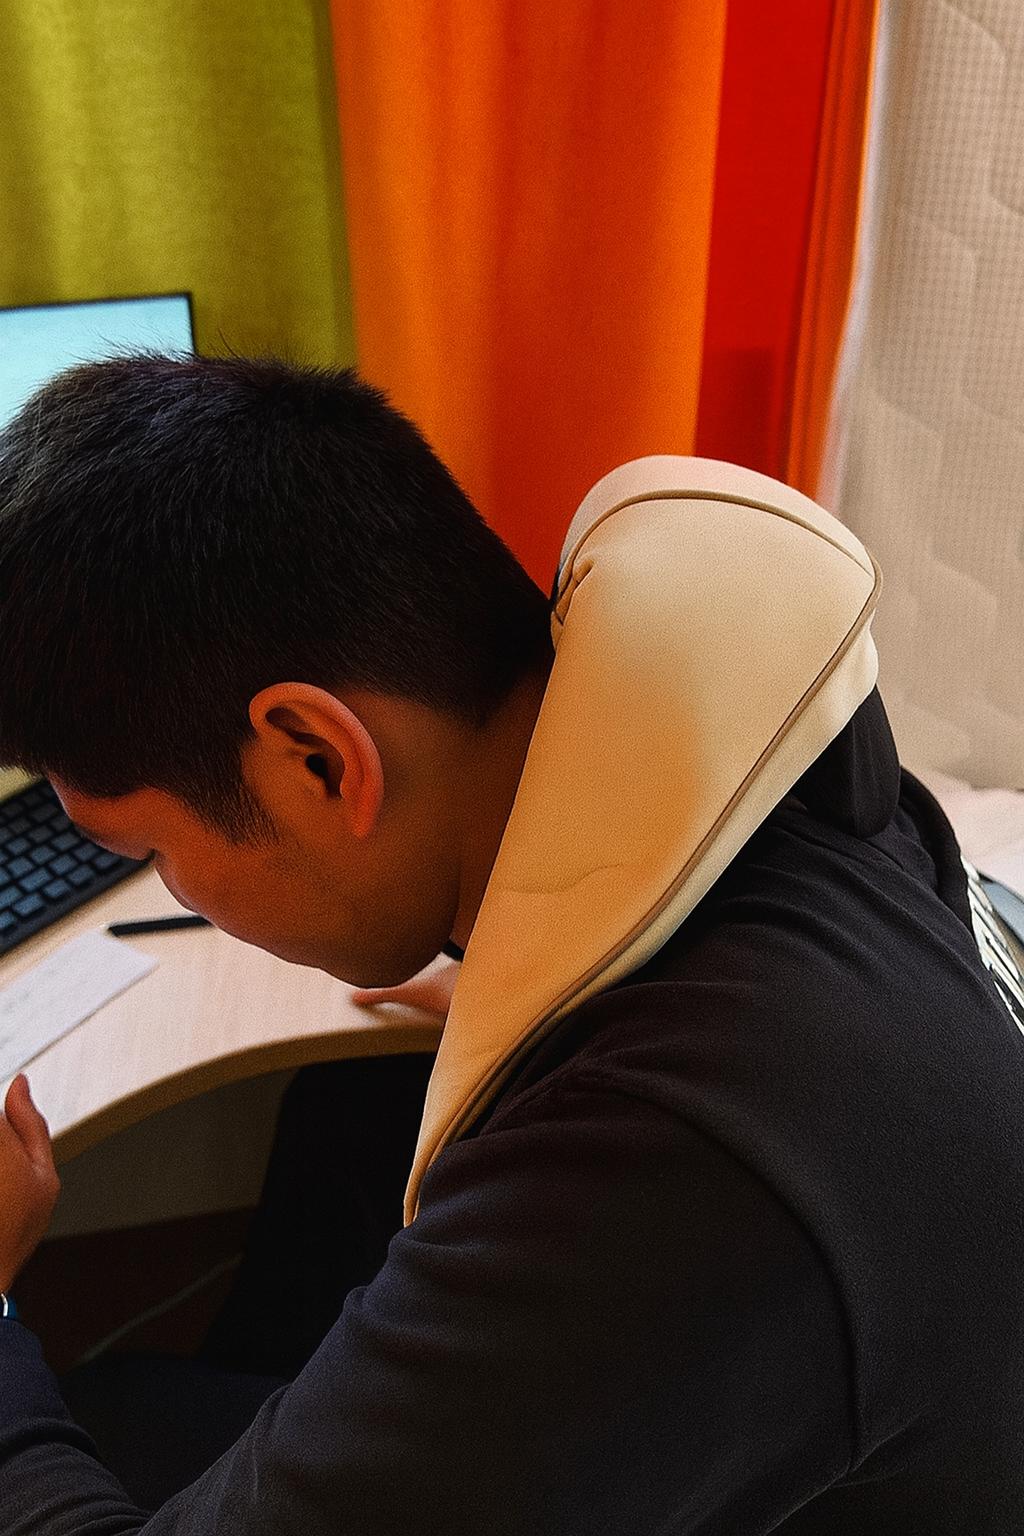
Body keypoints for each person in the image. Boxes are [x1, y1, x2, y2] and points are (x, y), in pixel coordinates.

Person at [0, 352, 1022, 1533]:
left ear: (317, 759)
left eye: (147, 851)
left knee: (110, 1406)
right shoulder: (767, 728)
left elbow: (684, 1166)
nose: (172, 887)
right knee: (341, 1120)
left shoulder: (674, 1153)